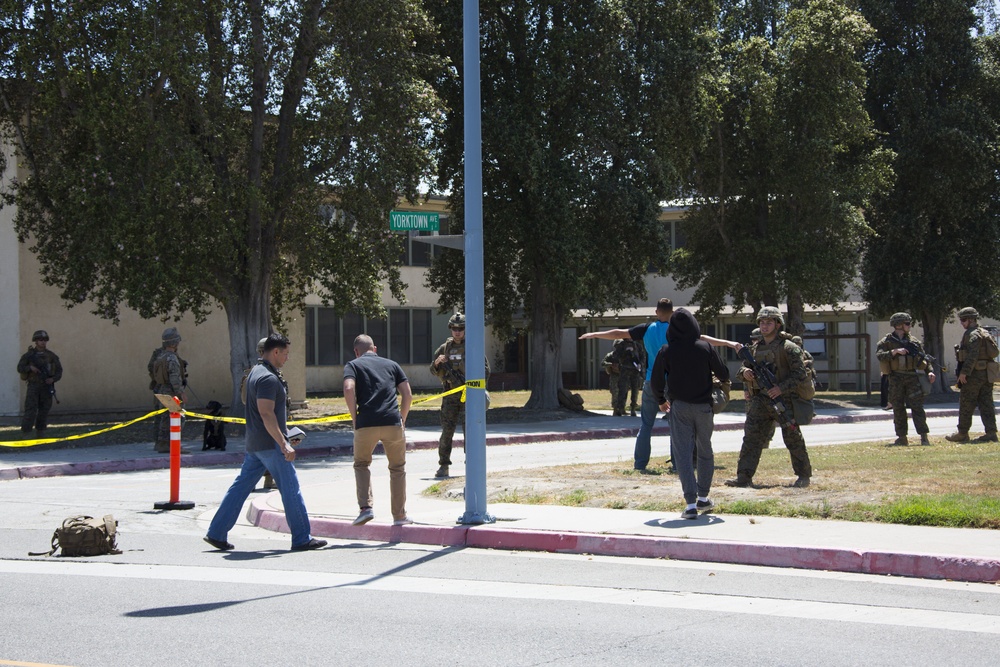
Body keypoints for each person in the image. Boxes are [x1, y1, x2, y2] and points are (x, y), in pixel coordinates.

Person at [579, 299, 738, 471]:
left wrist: (594, 334)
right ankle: (678, 464)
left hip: (650, 381)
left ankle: (640, 464)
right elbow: (704, 339)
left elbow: (619, 333)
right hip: (674, 383)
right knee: (675, 427)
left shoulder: (647, 328)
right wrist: (728, 343)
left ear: (657, 312)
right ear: (673, 312)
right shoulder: (678, 330)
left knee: (646, 424)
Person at [204, 333, 326, 552]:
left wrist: (286, 433)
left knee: (239, 489)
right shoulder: (268, 378)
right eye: (286, 353)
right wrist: (283, 443)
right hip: (270, 445)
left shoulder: (255, 373)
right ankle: (301, 538)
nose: (288, 358)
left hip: (256, 444)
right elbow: (266, 413)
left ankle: (216, 532)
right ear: (275, 352)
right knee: (291, 489)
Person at [650, 308, 730, 519]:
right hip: (704, 407)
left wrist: (660, 400)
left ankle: (690, 503)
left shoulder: (666, 350)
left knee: (683, 454)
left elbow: (657, 379)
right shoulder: (705, 347)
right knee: (705, 450)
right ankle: (703, 497)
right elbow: (724, 373)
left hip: (680, 407)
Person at [726, 306, 813, 488]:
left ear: (778, 324)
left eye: (769, 322)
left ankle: (804, 475)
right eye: (762, 322)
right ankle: (744, 477)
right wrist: (746, 372)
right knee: (751, 438)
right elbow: (741, 370)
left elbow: (800, 374)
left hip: (783, 400)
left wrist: (780, 388)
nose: (765, 326)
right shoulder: (755, 348)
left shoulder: (788, 348)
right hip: (760, 400)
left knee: (792, 437)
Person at [344, 334, 413, 526]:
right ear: (375, 349)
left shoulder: (353, 365)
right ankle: (399, 516)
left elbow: (349, 389)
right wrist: (402, 418)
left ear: (356, 352)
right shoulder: (392, 364)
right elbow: (407, 394)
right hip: (392, 421)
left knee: (362, 464)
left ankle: (366, 508)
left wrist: (354, 417)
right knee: (397, 468)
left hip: (366, 422)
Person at [430, 313, 490, 478]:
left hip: (468, 395)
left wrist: (477, 389)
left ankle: (471, 464)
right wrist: (437, 363)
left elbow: (485, 371)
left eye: (461, 328)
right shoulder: (444, 348)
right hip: (450, 396)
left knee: (469, 431)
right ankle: (444, 465)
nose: (457, 332)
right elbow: (432, 370)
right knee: (447, 431)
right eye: (454, 329)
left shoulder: (473, 347)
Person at [875, 312, 935, 446]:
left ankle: (924, 437)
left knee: (917, 407)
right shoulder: (887, 342)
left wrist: (930, 371)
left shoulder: (913, 342)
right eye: (907, 323)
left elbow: (923, 357)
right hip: (896, 377)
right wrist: (894, 352)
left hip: (912, 378)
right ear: (898, 325)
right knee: (898, 408)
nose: (910, 326)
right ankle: (902, 437)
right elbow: (879, 356)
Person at [946, 307, 998, 443]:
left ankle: (962, 433)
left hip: (974, 375)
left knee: (966, 403)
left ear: (970, 319)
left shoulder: (973, 334)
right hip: (986, 374)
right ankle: (991, 433)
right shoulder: (984, 332)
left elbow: (972, 356)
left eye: (963, 320)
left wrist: (964, 373)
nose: (962, 323)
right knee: (986, 403)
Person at [149, 327, 187, 453]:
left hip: (160, 389)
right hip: (170, 392)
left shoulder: (160, 357)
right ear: (175, 343)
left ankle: (161, 443)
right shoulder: (171, 358)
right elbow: (174, 378)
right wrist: (181, 393)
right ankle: (172, 445)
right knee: (178, 417)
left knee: (164, 418)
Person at [17, 330, 62, 435]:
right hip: (33, 386)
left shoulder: (51, 356)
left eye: (45, 340)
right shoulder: (28, 356)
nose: (43, 342)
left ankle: (40, 432)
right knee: (30, 409)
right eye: (40, 340)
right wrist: (30, 368)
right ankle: (26, 432)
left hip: (46, 386)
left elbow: (59, 371)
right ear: (35, 341)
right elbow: (20, 368)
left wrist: (53, 379)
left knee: (44, 410)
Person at [611, 338, 643, 417]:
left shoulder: (637, 345)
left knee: (635, 389)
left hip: (635, 371)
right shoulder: (621, 345)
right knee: (623, 389)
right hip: (624, 370)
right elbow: (615, 356)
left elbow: (642, 356)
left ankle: (633, 408)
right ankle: (620, 408)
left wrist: (640, 364)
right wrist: (625, 352)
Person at [601, 349, 621, 413]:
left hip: (624, 375)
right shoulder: (611, 355)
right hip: (614, 375)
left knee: (624, 392)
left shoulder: (626, 354)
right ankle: (615, 408)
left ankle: (622, 408)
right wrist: (611, 364)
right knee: (614, 391)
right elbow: (603, 363)